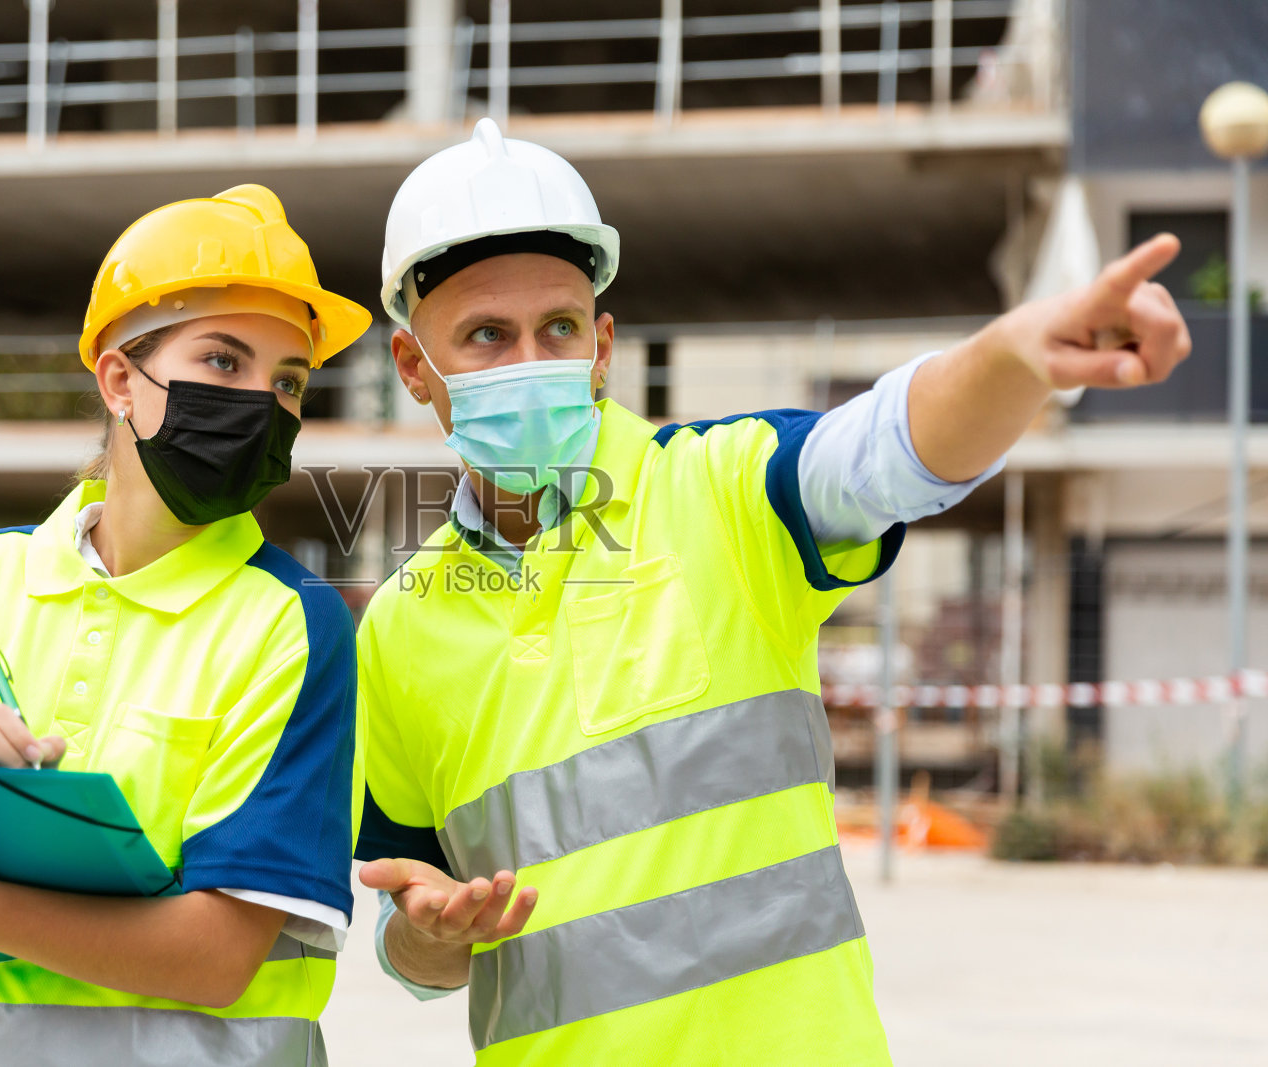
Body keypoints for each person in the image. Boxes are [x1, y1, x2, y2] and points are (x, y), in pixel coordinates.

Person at [354, 120, 1191, 1064]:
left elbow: (880, 454)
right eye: (486, 337)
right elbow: (411, 925)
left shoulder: (721, 489)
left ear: (603, 345)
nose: (532, 363)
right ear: (414, 369)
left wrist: (1014, 358)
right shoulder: (398, 628)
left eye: (559, 328)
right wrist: (424, 938)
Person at [0, 185, 373, 1066]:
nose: (262, 402)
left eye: (289, 379)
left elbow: (220, 956)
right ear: (119, 379)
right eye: (224, 361)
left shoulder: (293, 625)